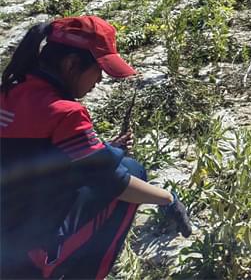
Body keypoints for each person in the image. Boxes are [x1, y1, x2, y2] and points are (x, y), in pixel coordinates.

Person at [1, 16, 192, 280]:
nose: (100, 80)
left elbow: (32, 156)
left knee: (118, 164)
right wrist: (167, 199)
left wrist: (107, 151)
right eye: (98, 69)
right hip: (23, 253)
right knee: (133, 173)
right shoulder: (66, 113)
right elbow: (116, 182)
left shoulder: (9, 91)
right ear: (70, 64)